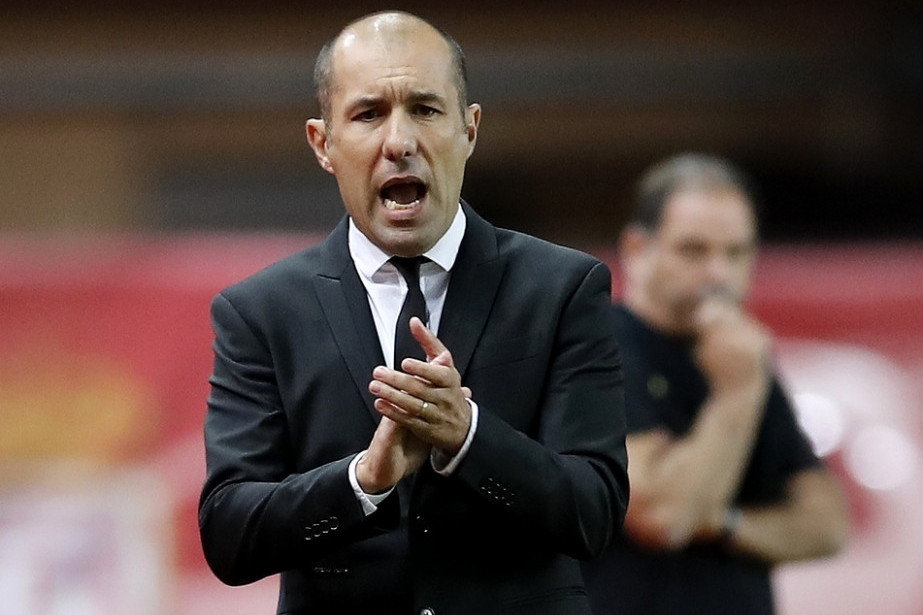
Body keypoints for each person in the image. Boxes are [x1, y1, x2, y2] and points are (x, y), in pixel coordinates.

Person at [198, 11, 629, 615]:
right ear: (323, 143)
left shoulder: (563, 288)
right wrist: (363, 481)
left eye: (425, 109)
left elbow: (596, 513)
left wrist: (468, 435)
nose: (399, 142)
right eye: (368, 114)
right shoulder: (259, 312)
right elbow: (229, 534)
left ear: (469, 129)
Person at [582, 153, 849, 614]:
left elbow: (827, 525)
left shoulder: (737, 356)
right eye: (694, 251)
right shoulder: (598, 344)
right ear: (637, 248)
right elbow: (663, 516)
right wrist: (735, 397)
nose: (719, 274)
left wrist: (725, 523)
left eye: (736, 252)